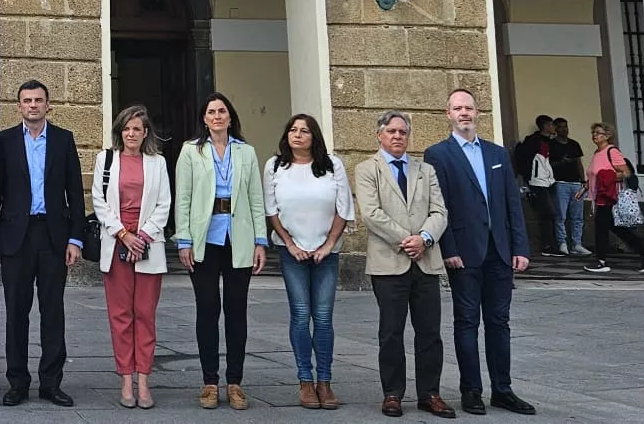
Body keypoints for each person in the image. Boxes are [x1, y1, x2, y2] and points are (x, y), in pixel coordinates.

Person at [424, 89, 535, 416]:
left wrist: (521, 247)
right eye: (457, 108)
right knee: (467, 321)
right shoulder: (438, 155)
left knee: (499, 322)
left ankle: (503, 389)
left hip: (500, 252)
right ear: (448, 114)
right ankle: (471, 389)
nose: (464, 113)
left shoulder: (497, 153)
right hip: (464, 253)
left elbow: (511, 204)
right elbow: (439, 205)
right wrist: (449, 249)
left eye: (469, 108)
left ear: (477, 112)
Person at [354, 111, 455, 419]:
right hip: (389, 263)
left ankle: (430, 393)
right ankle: (393, 393)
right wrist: (407, 239)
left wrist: (424, 238)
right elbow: (371, 213)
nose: (398, 136)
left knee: (429, 332)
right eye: (392, 131)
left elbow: (440, 211)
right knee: (391, 331)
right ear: (379, 135)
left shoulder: (425, 170)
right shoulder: (366, 169)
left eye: (403, 132)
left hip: (425, 261)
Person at [173, 92, 267, 411]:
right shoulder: (190, 151)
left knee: (237, 310)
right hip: (204, 238)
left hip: (238, 237)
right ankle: (210, 381)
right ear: (204, 118)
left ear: (230, 117)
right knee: (208, 308)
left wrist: (260, 241)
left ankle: (235, 381)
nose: (216, 116)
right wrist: (183, 240)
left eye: (222, 111)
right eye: (211, 111)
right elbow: (182, 198)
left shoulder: (246, 153)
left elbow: (256, 198)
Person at [0, 79, 85, 408]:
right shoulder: (3, 141)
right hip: (15, 239)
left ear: (48, 105)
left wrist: (75, 238)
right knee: (17, 314)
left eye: (38, 100)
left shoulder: (63, 140)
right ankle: (17, 382)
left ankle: (51, 383)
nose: (32, 105)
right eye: (26, 100)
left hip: (53, 236)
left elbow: (75, 193)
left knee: (53, 312)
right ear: (18, 106)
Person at [262, 113, 355, 411]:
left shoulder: (332, 165)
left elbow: (344, 207)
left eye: (304, 131)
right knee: (301, 315)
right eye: (293, 130)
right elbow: (271, 209)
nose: (298, 135)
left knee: (324, 317)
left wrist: (329, 245)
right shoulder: (275, 165)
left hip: (326, 253)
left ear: (314, 136)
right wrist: (289, 243)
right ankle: (305, 380)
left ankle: (325, 383)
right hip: (292, 252)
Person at [92, 104, 171, 410]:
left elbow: (164, 203)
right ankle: (126, 378)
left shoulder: (158, 163)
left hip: (148, 245)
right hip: (116, 244)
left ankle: (144, 380)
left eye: (137, 128)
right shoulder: (106, 159)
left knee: (145, 315)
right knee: (121, 315)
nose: (131, 133)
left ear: (145, 133)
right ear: (119, 132)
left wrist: (143, 237)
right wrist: (123, 235)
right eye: (126, 128)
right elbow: (99, 201)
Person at [583, 123, 644, 275]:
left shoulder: (611, 151)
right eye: (593, 132)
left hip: (609, 196)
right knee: (617, 228)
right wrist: (584, 188)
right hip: (599, 196)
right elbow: (594, 175)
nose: (595, 135)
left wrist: (609, 177)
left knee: (601, 228)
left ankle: (601, 261)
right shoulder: (597, 153)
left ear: (607, 136)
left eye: (598, 133)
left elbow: (626, 172)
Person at [510, 116, 559, 256]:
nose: (554, 128)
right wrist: (528, 177)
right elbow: (526, 161)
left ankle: (552, 243)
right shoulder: (532, 142)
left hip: (549, 180)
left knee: (552, 212)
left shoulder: (550, 142)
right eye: (551, 125)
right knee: (547, 212)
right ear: (545, 126)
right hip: (537, 181)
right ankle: (547, 245)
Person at [549, 117, 589, 256]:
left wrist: (583, 180)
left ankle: (577, 244)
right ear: (555, 128)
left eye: (566, 126)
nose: (564, 130)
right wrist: (561, 162)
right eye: (560, 127)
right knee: (561, 215)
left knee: (578, 216)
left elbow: (579, 162)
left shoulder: (574, 144)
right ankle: (562, 243)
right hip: (560, 183)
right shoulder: (551, 145)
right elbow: (548, 165)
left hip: (576, 183)